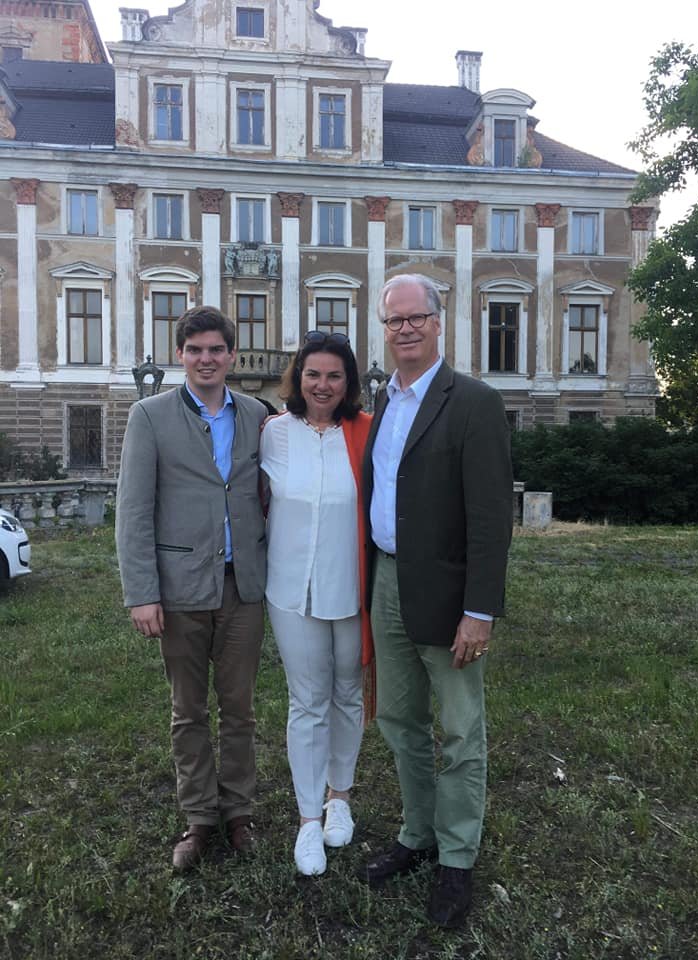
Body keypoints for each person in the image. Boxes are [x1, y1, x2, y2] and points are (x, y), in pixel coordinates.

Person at [359, 274, 513, 928]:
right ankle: (417, 834)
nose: (405, 329)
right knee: (399, 720)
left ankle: (457, 856)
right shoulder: (384, 399)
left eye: (415, 317)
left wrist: (480, 610)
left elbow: (491, 517)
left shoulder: (473, 401)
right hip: (387, 583)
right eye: (394, 320)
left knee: (459, 730)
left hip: (449, 595)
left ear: (438, 321)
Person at [115, 305, 267, 872]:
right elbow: (133, 511)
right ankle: (199, 817)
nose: (207, 359)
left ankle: (239, 813)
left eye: (216, 349)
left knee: (240, 709)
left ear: (232, 355)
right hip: (179, 589)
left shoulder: (256, 414)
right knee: (188, 711)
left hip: (242, 587)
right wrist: (141, 592)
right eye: (195, 349)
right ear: (180, 354)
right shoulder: (150, 416)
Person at [260, 331, 372, 876]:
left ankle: (339, 796)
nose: (322, 385)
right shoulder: (273, 433)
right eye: (312, 374)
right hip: (290, 589)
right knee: (306, 701)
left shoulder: (367, 432)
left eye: (333, 375)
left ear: (348, 382)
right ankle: (308, 819)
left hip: (351, 585)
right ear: (297, 378)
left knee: (347, 693)